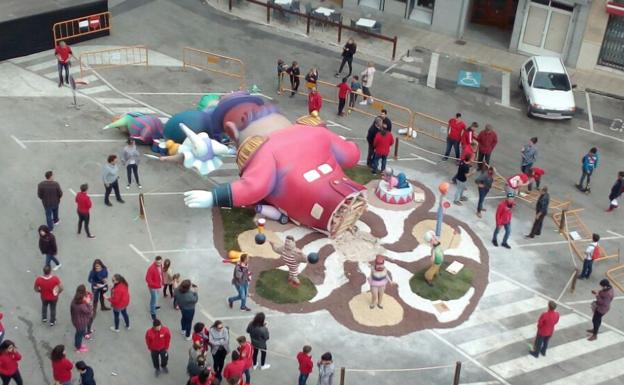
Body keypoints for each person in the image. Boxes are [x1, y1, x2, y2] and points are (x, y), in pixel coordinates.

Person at [70, 285, 93, 353]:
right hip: (81, 323)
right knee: (79, 335)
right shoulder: (81, 305)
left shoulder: (75, 300)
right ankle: (78, 347)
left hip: (76, 320)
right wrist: (88, 303)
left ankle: (78, 344)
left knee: (79, 333)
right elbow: (89, 311)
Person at [145, 255, 164, 320]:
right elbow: (147, 279)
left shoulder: (161, 266)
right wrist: (157, 285)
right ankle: (153, 313)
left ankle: (154, 306)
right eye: (157, 262)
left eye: (160, 262)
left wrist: (162, 282)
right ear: (155, 261)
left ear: (161, 261)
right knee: (154, 299)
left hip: (159, 286)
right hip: (153, 288)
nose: (159, 264)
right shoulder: (151, 268)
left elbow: (161, 275)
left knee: (156, 297)